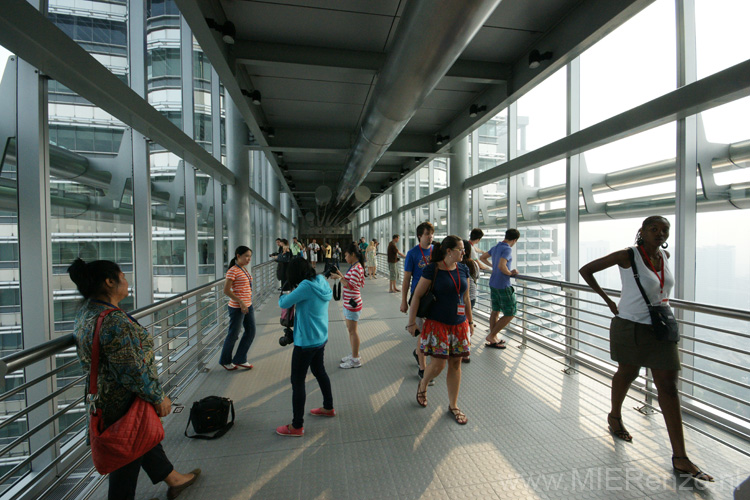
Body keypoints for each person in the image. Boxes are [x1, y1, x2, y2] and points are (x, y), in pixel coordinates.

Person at [579, 216, 713, 482]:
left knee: (669, 387)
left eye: (665, 230)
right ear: (642, 232)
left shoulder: (664, 256)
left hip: (660, 329)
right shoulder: (628, 255)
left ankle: (680, 457)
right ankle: (615, 416)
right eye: (654, 229)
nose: (660, 233)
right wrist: (608, 301)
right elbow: (586, 270)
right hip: (630, 327)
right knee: (627, 374)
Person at [68, 258, 200, 500]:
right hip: (123, 403)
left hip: (103, 396)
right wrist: (158, 397)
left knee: (141, 438)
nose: (126, 281)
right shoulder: (115, 321)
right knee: (126, 458)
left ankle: (175, 479)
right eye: (123, 276)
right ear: (110, 282)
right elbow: (132, 371)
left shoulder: (87, 312)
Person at [407, 236, 473, 425]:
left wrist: (470, 321)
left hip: (459, 325)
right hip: (437, 325)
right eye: (460, 249)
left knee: (455, 365)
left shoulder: (463, 268)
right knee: (438, 365)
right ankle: (424, 383)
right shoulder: (433, 269)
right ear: (449, 251)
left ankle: (453, 405)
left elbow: (466, 298)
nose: (464, 252)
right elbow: (417, 296)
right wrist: (412, 322)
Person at [276, 258, 335, 436]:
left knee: (298, 381)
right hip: (320, 337)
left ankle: (297, 426)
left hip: (306, 342)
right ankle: (328, 407)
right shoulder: (321, 281)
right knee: (319, 371)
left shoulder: (305, 286)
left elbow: (283, 303)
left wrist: (285, 292)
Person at [401, 222, 435, 382]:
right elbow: (407, 278)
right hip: (418, 298)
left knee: (430, 332)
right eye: (427, 234)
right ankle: (423, 368)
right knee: (422, 333)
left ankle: (417, 353)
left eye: (432, 234)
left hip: (434, 297)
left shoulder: (437, 251)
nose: (430, 237)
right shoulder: (412, 254)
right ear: (420, 236)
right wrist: (403, 301)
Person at [479, 229, 520, 350]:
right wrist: (510, 273)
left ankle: (493, 339)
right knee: (511, 312)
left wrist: (493, 266)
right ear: (514, 240)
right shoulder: (507, 248)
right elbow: (502, 266)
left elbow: (482, 257)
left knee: (495, 310)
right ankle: (492, 335)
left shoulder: (496, 247)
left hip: (493, 283)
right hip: (503, 284)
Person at [220, 246, 256, 370]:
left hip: (247, 305)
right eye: (246, 256)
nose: (248, 259)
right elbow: (226, 290)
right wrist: (240, 301)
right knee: (234, 334)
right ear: (238, 256)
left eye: (250, 256)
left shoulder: (243, 269)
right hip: (237, 307)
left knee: (251, 331)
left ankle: (240, 358)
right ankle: (225, 361)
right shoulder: (233, 270)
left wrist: (246, 302)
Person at [332, 244, 365, 368]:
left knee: (353, 331)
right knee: (351, 330)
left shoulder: (357, 268)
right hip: (349, 302)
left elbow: (350, 285)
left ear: (352, 254)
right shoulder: (354, 266)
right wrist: (338, 273)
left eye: (346, 255)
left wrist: (338, 278)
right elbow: (348, 280)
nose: (345, 257)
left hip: (353, 304)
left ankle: (355, 359)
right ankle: (354, 354)